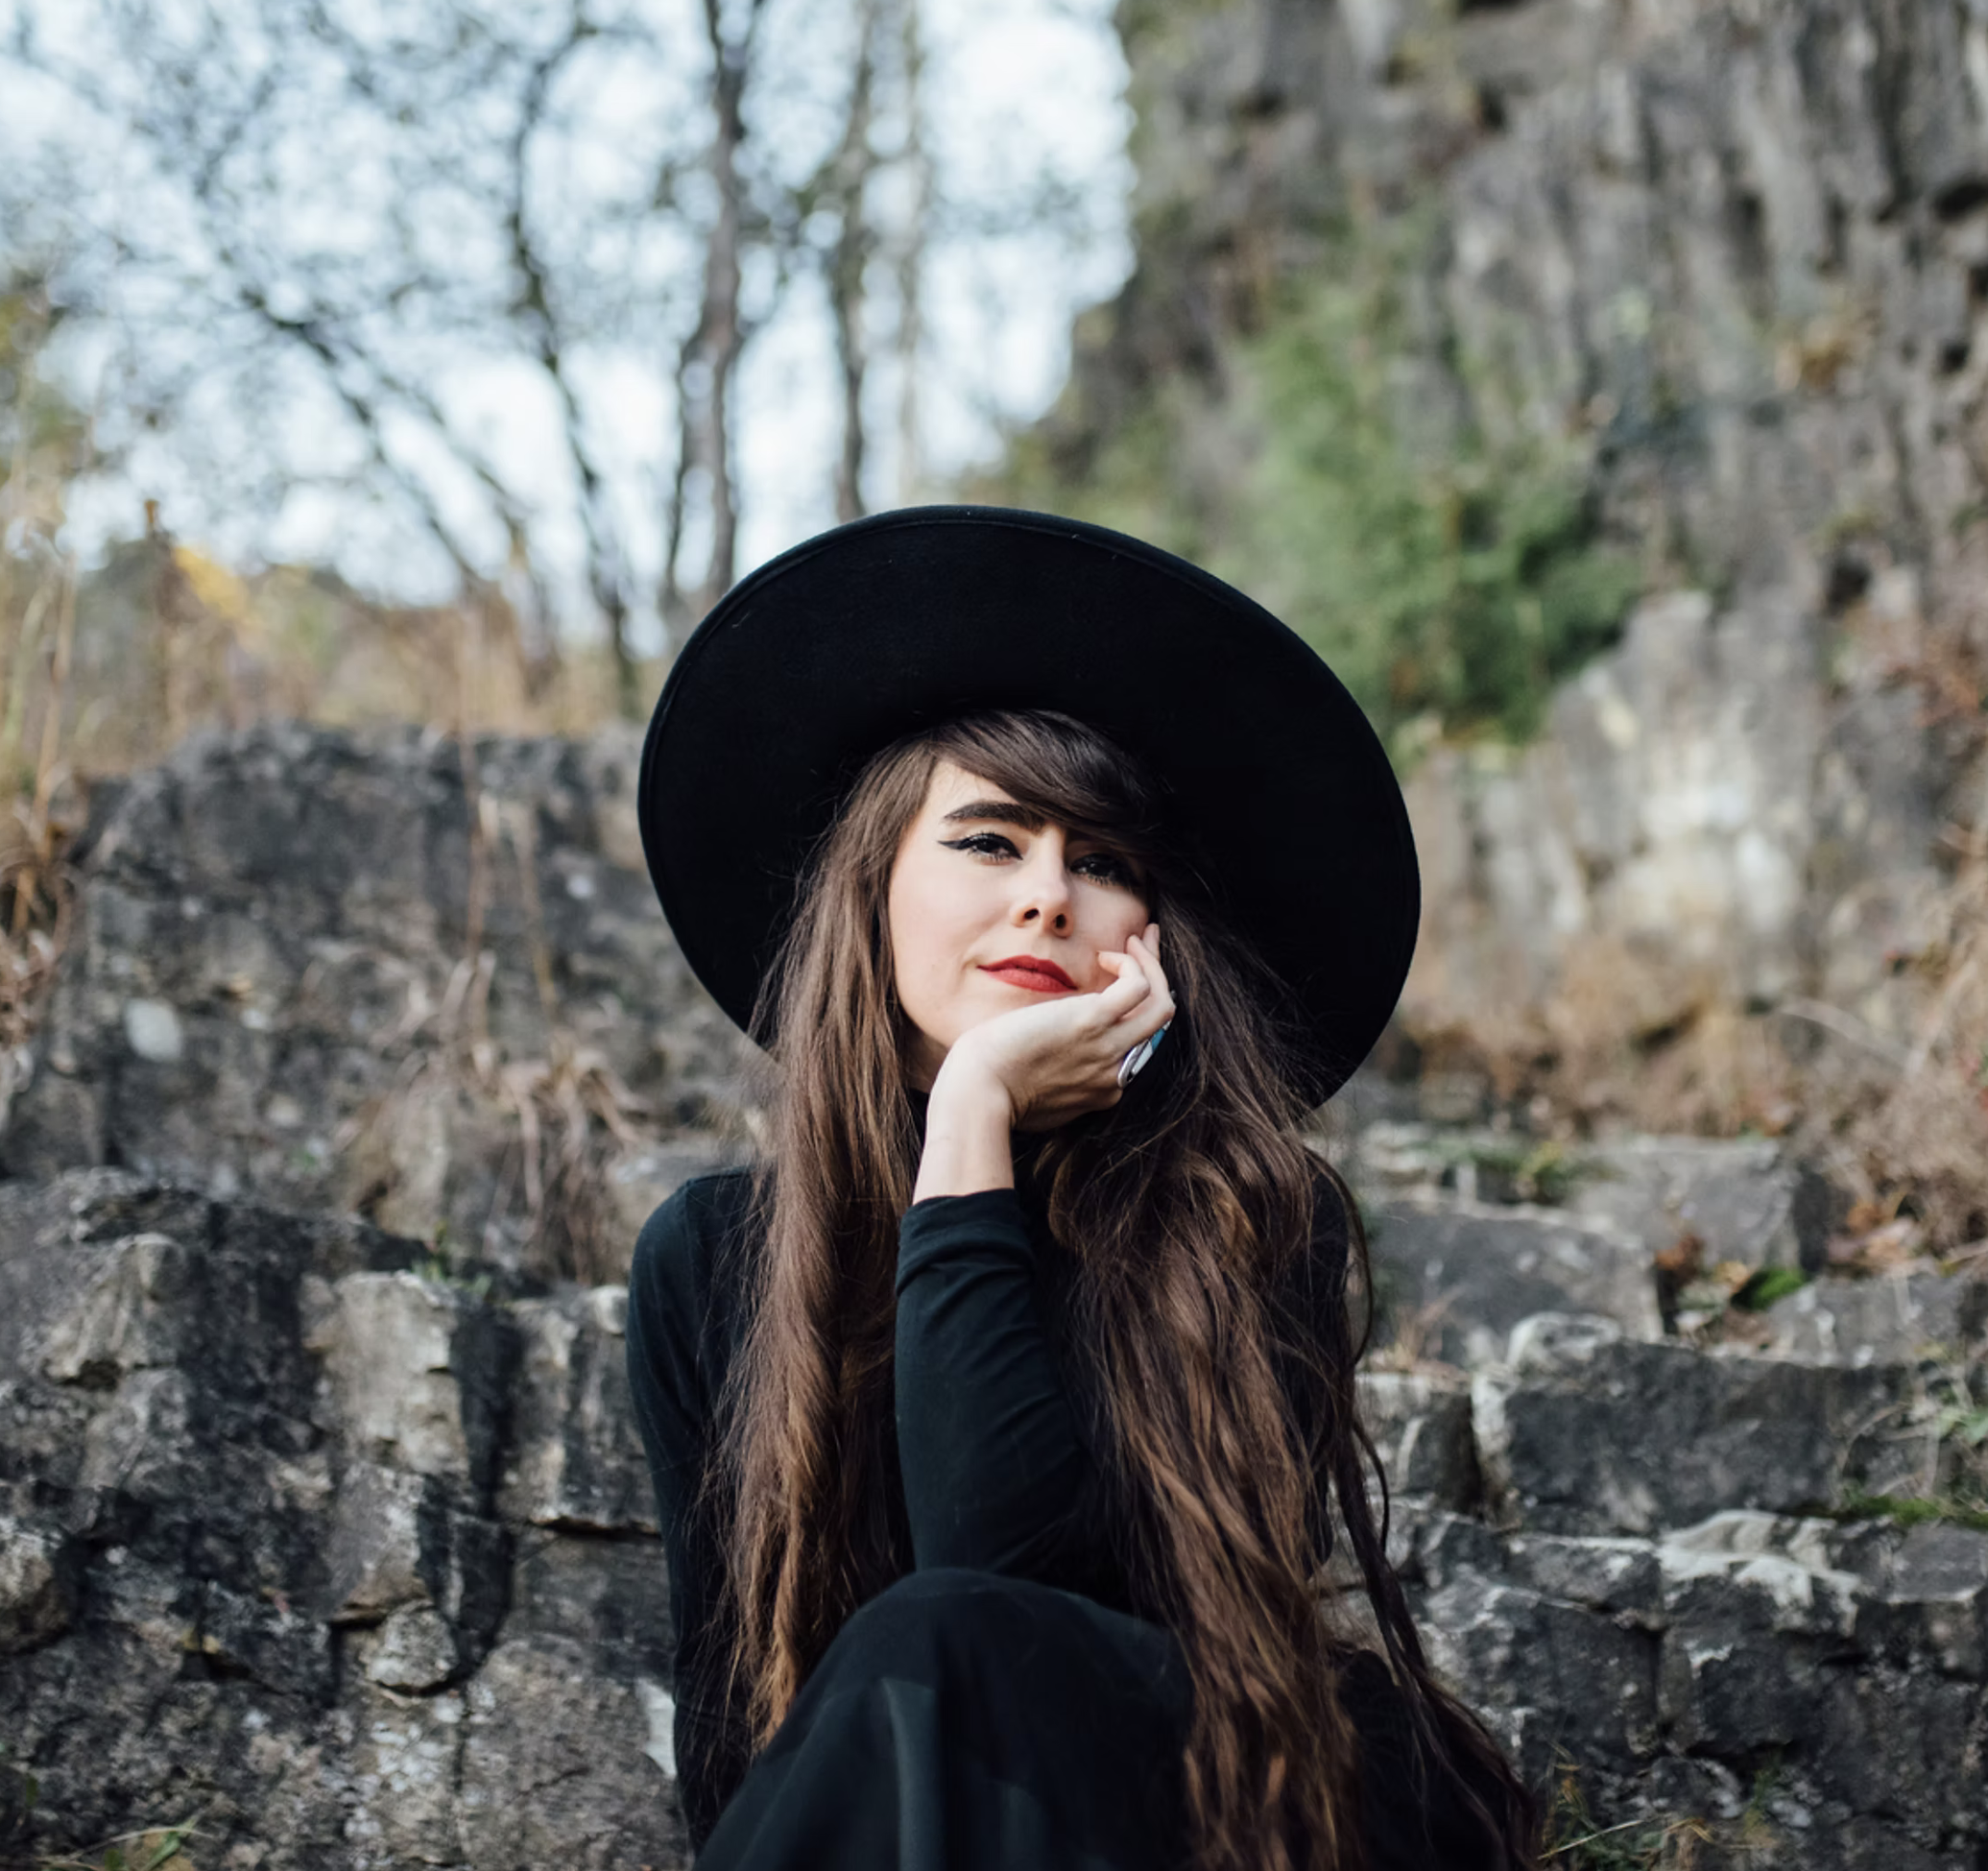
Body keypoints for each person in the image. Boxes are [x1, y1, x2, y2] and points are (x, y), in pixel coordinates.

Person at [625, 506, 1537, 1871]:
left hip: (1236, 1805)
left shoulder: (1248, 1224)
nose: (1049, 896)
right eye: (989, 842)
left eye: (1104, 863)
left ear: (1154, 945)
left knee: (945, 1641)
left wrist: (977, 1109)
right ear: (869, 891)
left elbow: (1006, 1605)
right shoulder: (712, 1258)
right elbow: (738, 1752)